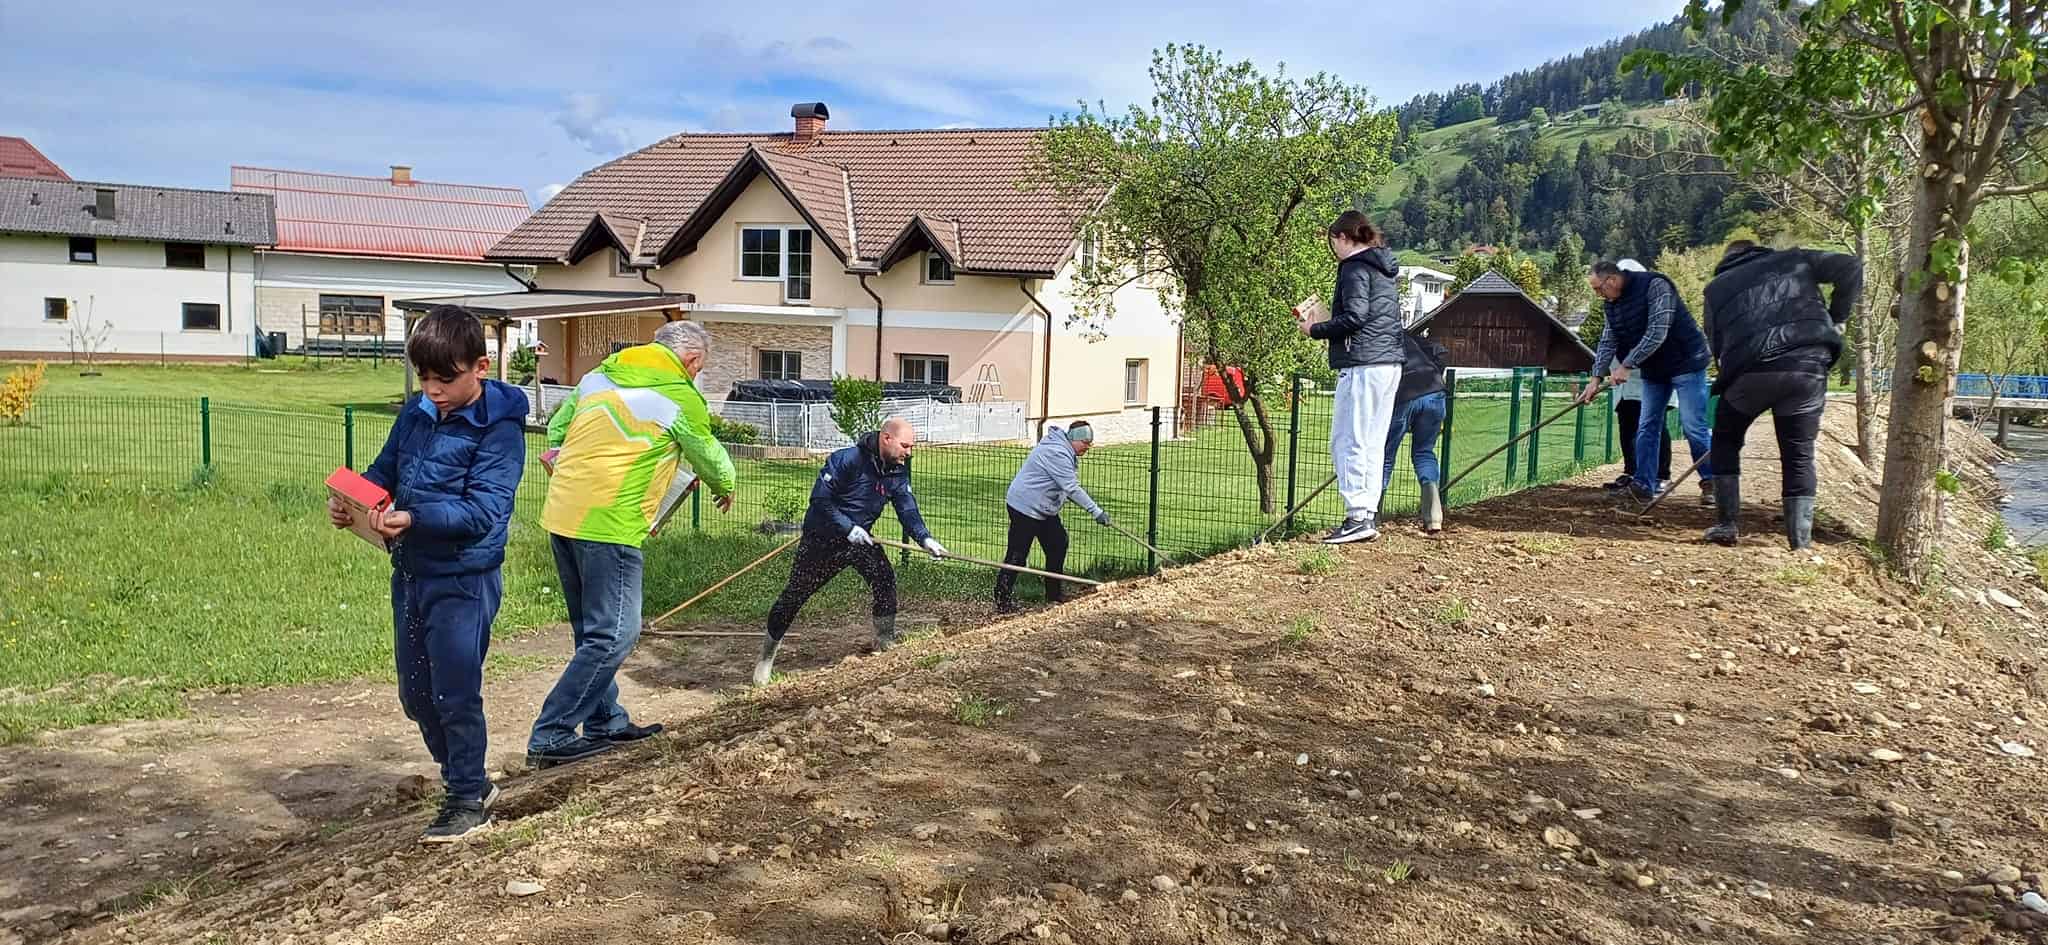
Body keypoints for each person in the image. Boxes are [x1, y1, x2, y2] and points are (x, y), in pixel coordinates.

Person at [327, 305, 527, 843]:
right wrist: (357, 500)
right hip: (412, 571)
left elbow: (485, 510)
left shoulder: (501, 432)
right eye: (424, 377)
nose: (433, 390)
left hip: (464, 577)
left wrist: (414, 517)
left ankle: (467, 794)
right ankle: (466, 778)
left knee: (455, 692)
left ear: (480, 367)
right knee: (417, 696)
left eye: (446, 378)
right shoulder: (415, 413)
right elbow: (384, 469)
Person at [527, 321, 736, 770]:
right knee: (615, 633)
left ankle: (606, 721)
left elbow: (556, 433)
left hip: (563, 513)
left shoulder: (597, 377)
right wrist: (726, 484)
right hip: (610, 524)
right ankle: (552, 733)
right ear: (693, 361)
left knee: (591, 630)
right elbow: (707, 451)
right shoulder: (679, 395)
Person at [755, 417, 947, 686]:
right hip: (822, 541)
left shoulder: (897, 470)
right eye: (905, 445)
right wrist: (847, 527)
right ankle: (765, 660)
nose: (909, 452)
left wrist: (925, 538)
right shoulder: (847, 460)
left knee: (884, 579)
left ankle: (884, 641)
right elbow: (820, 500)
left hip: (860, 542)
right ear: (886, 438)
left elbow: (907, 507)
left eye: (911, 446)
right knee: (794, 596)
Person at [1700, 240, 1863, 549]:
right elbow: (1851, 266)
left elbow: (1716, 345)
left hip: (1750, 373)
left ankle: (1726, 524)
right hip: (1807, 367)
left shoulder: (1716, 289)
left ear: (1726, 261)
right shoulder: (1795, 260)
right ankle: (1800, 543)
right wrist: (1837, 319)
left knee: (1725, 440)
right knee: (1799, 453)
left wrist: (1731, 366)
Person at [1298, 210, 1404, 544]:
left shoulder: (1354, 267)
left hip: (1363, 363)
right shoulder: (1383, 269)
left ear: (1343, 238)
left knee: (1349, 439)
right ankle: (1366, 514)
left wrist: (1315, 328)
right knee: (1372, 440)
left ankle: (1357, 517)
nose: (1334, 251)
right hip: (1388, 362)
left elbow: (1356, 316)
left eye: (1334, 243)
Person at [1577, 259, 1715, 505]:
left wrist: (1627, 365)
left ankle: (1712, 482)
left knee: (1693, 425)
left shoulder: (1655, 286)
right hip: (1655, 368)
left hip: (1686, 360)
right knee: (1646, 425)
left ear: (1612, 280)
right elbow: (1608, 341)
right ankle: (1644, 483)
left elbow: (1657, 331)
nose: (1598, 294)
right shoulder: (1612, 303)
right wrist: (1595, 378)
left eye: (1598, 288)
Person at [997, 421, 1108, 612]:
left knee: (1058, 544)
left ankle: (1053, 595)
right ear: (1073, 439)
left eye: (1090, 443)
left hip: (1044, 508)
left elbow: (1066, 487)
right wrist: (1095, 511)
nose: (1088, 447)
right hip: (1025, 506)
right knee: (1018, 554)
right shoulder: (1056, 453)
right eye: (1085, 442)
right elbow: (1072, 488)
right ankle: (1002, 600)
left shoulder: (1065, 450)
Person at [1381, 331, 1451, 533]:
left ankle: (1372, 516)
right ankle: (1434, 517)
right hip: (1434, 390)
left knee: (1385, 456)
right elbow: (1439, 351)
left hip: (1404, 395)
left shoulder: (1374, 337)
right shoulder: (1406, 335)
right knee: (1424, 452)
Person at [1603, 374, 1673, 492]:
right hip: (1624, 388)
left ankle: (1662, 476)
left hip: (1652, 383)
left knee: (1655, 429)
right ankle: (1631, 473)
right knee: (1627, 430)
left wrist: (1627, 365)